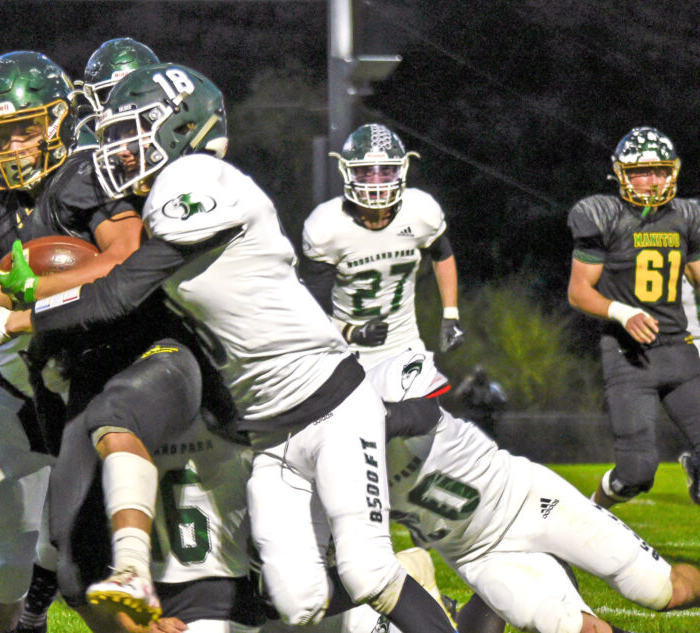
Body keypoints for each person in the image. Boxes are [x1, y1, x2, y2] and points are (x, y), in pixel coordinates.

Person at [0, 63, 457, 633]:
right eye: (115, 132)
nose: (118, 150)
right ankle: (135, 580)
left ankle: (137, 571)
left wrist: (20, 313)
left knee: (320, 579)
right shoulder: (133, 189)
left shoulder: (198, 184)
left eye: (133, 132)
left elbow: (119, 286)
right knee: (99, 569)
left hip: (291, 390)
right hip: (235, 383)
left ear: (182, 131)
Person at [0, 49, 174, 633]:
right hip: (17, 383)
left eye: (24, 129)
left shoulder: (87, 173)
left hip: (96, 377)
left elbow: (126, 261)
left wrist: (41, 289)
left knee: (96, 553)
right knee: (6, 560)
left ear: (56, 120)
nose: (11, 146)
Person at [362, 348, 700, 633]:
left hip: (530, 502)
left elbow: (421, 412)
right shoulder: (314, 462)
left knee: (664, 591)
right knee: (571, 627)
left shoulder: (382, 384)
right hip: (479, 557)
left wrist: (362, 425)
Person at [566, 126, 700, 509]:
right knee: (636, 473)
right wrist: (622, 312)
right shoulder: (602, 216)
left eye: (660, 170)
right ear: (622, 173)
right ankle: (590, 515)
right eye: (643, 172)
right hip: (630, 358)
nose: (653, 180)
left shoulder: (687, 217)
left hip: (679, 350)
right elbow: (579, 292)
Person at [300, 123, 464, 370]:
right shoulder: (327, 226)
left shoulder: (419, 211)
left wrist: (450, 314)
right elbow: (312, 308)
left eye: (385, 172)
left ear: (402, 170)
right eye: (365, 172)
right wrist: (351, 332)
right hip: (344, 354)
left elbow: (443, 254)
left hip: (404, 349)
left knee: (420, 409)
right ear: (347, 172)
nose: (376, 182)